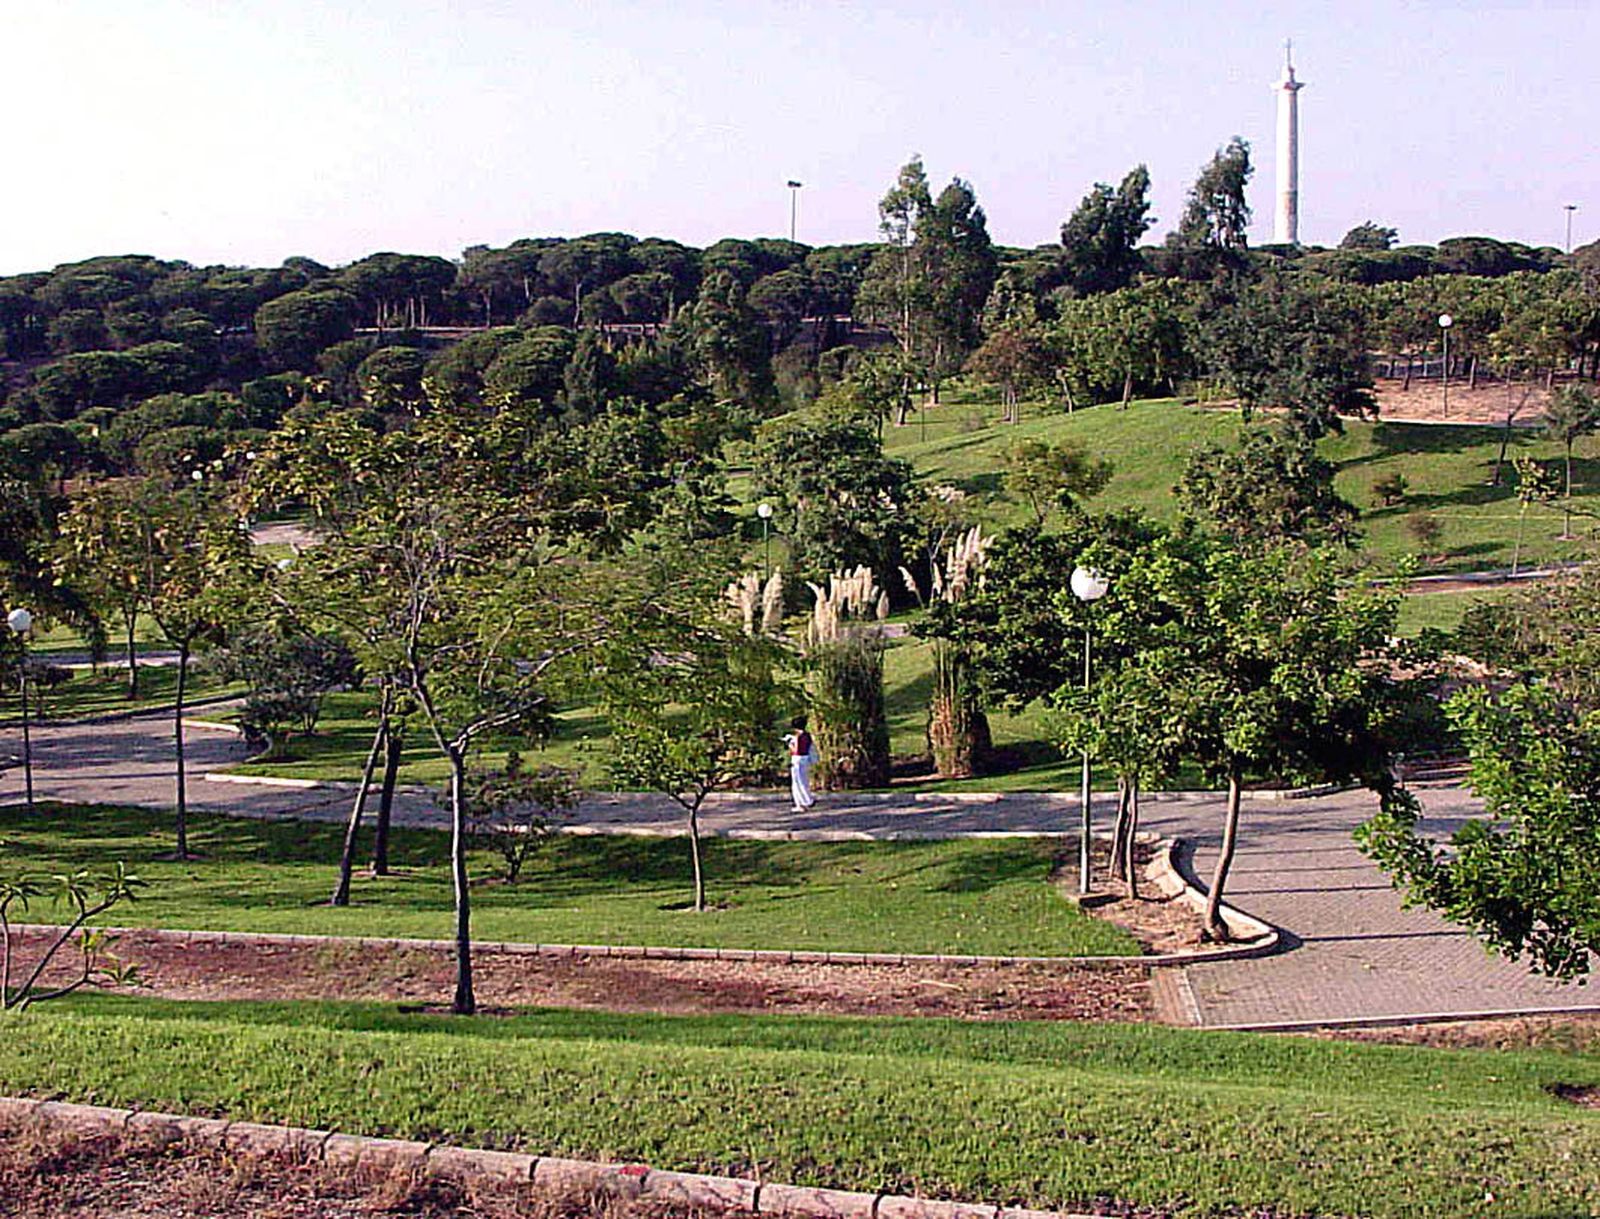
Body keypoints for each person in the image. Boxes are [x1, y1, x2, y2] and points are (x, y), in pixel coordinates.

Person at [783, 715, 817, 812]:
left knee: (797, 782)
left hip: (797, 759)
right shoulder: (807, 735)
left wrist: (790, 744)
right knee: (804, 780)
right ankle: (807, 800)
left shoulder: (798, 737)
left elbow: (796, 750)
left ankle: (801, 803)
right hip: (805, 759)